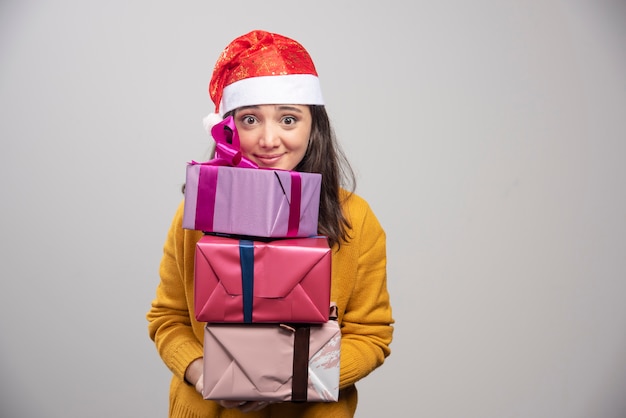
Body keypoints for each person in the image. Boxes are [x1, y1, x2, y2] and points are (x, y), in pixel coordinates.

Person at [147, 29, 394, 418]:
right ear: (228, 129)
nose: (268, 139)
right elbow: (168, 319)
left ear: (314, 126)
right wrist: (205, 373)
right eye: (250, 119)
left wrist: (298, 379)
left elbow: (372, 334)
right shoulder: (195, 215)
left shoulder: (355, 219)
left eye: (288, 119)